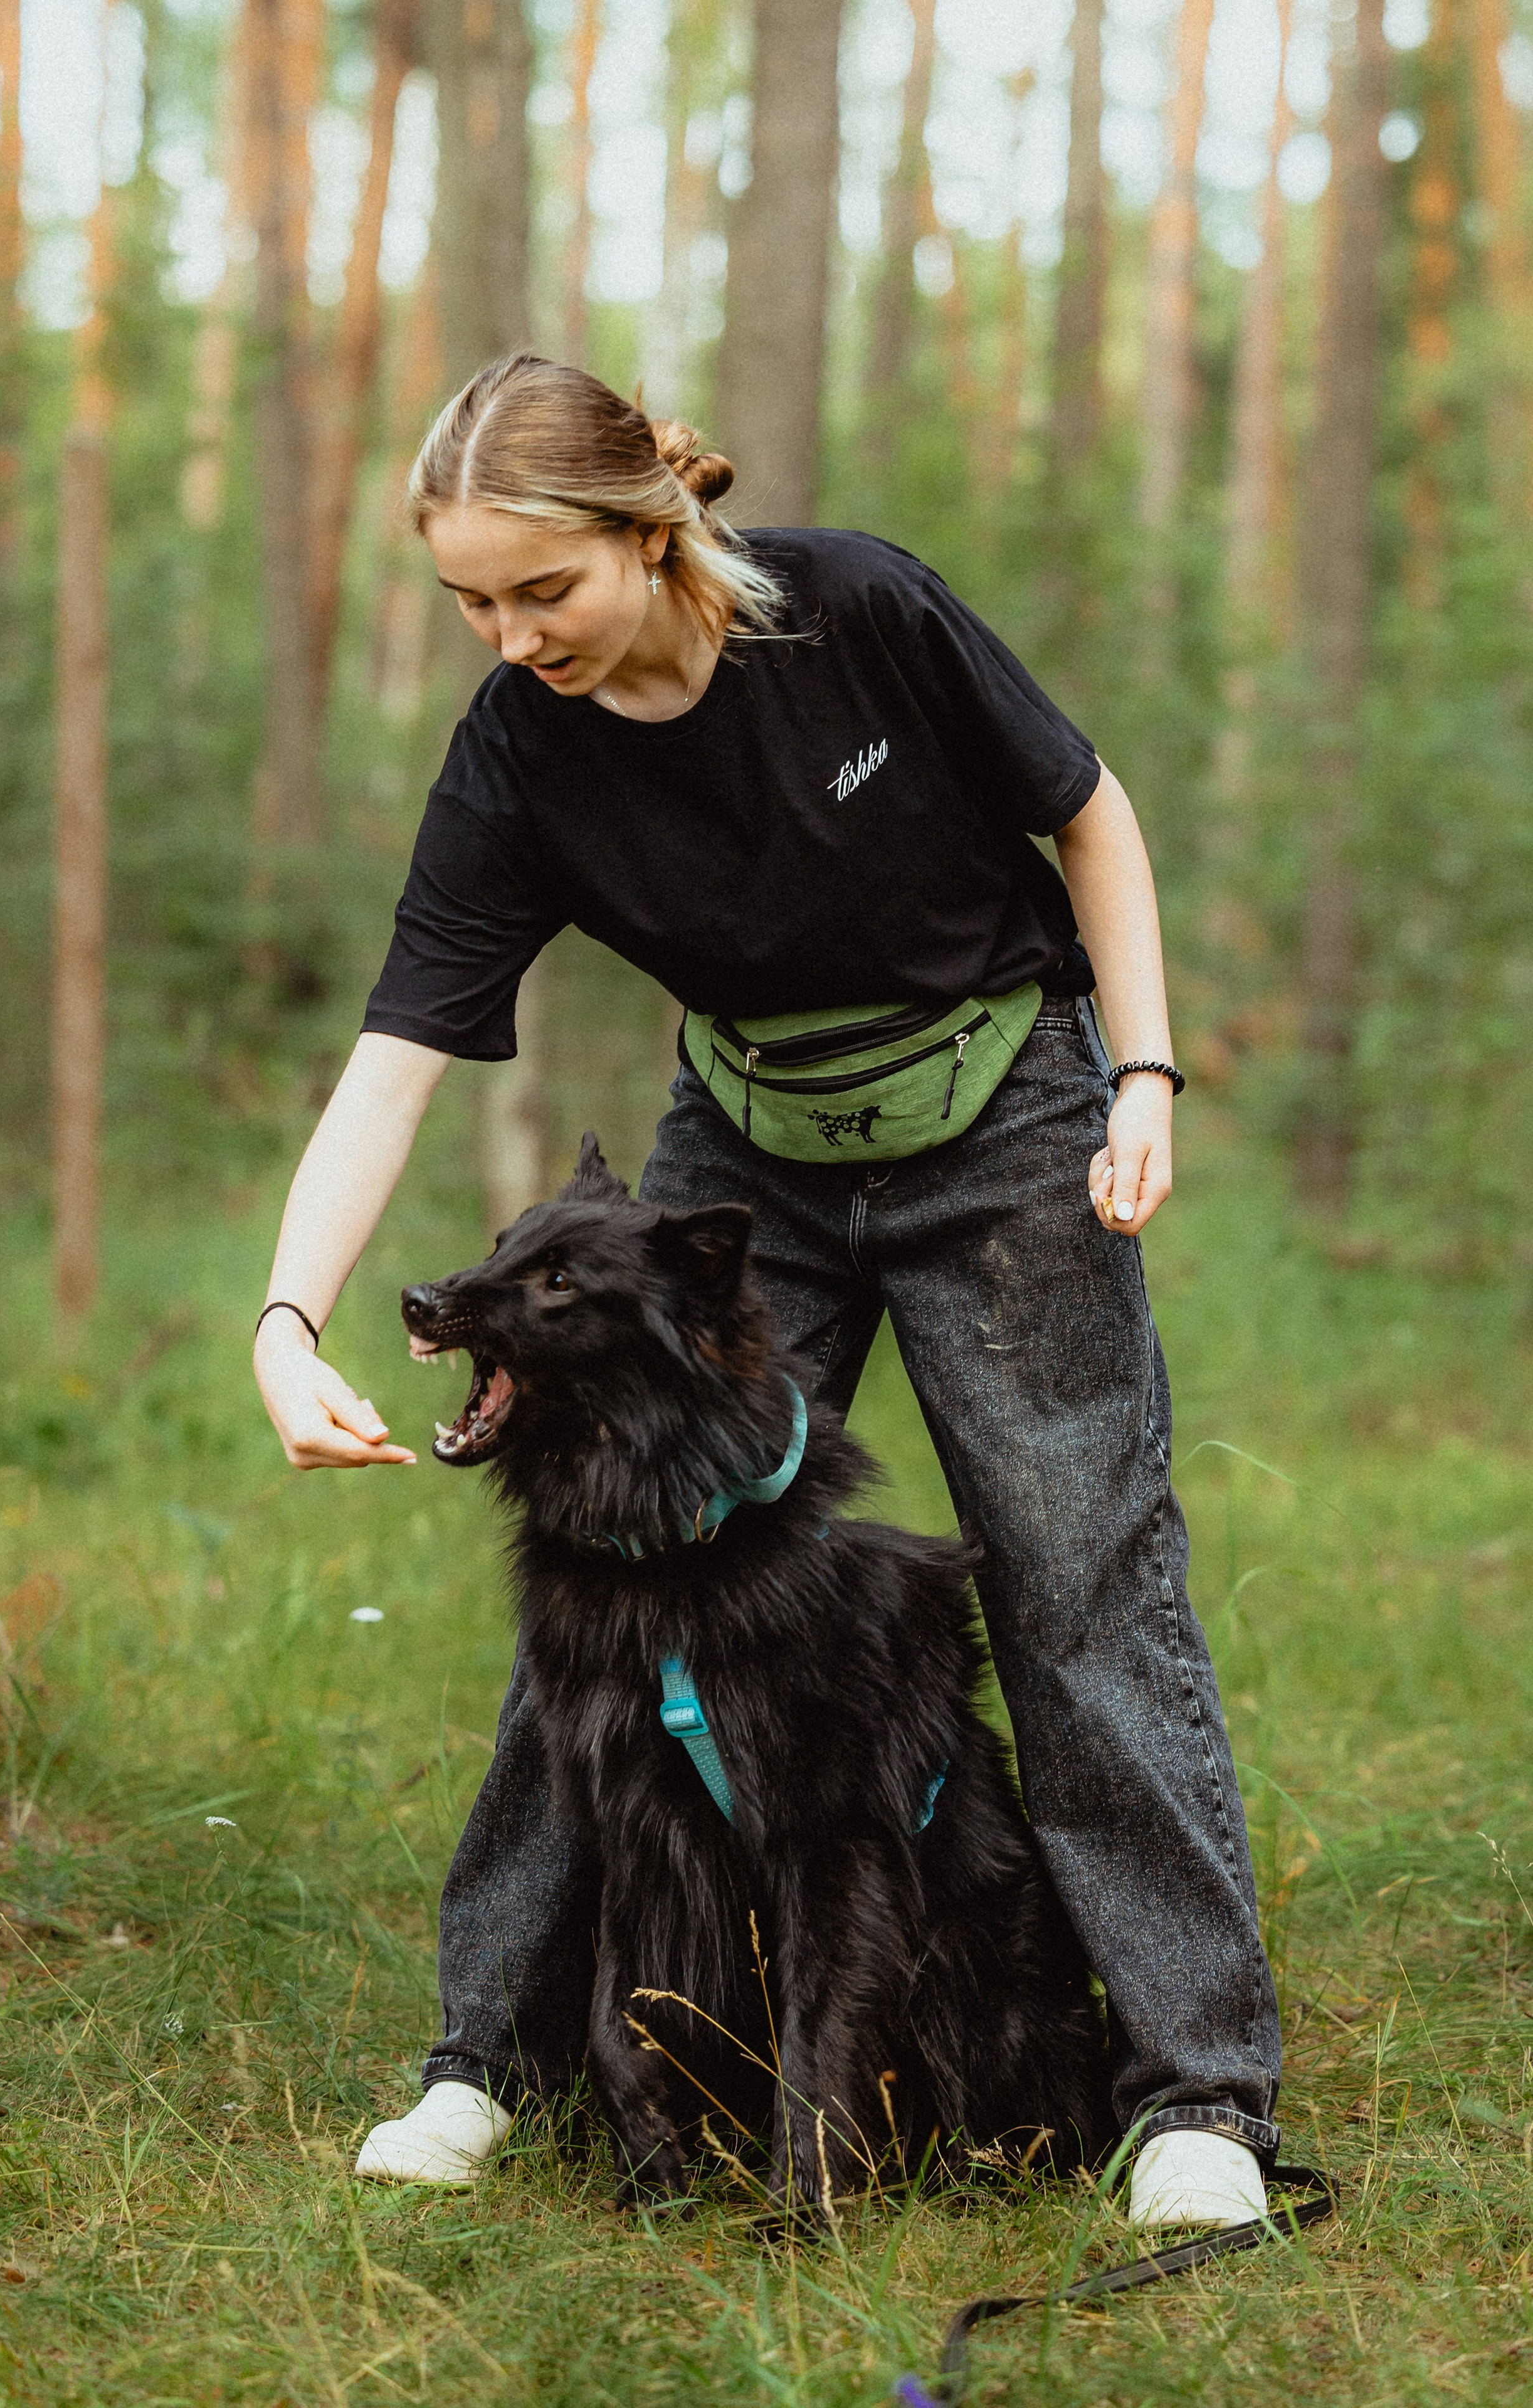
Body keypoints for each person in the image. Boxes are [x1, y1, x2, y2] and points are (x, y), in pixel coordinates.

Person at [253, 353, 1281, 2229]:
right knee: (613, 1568)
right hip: (744, 1151)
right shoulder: (519, 747)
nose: (508, 635)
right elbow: (400, 1053)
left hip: (1003, 1113)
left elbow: (1094, 815)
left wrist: (1143, 1074)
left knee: (1074, 1579)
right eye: (469, 601)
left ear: (656, 531)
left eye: (539, 589)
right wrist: (286, 1323)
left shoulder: (862, 611)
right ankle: (491, 2058)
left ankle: (1200, 2091)